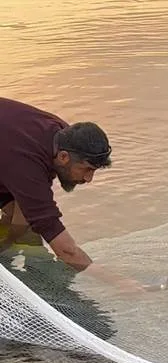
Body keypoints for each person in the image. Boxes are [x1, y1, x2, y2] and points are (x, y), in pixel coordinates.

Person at [0, 97, 140, 292]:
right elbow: (66, 251)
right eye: (87, 169)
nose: (89, 179)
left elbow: (23, 216)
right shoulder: (27, 165)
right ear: (64, 157)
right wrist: (120, 283)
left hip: (7, 151)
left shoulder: (62, 136)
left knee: (24, 226)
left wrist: (9, 239)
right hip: (11, 153)